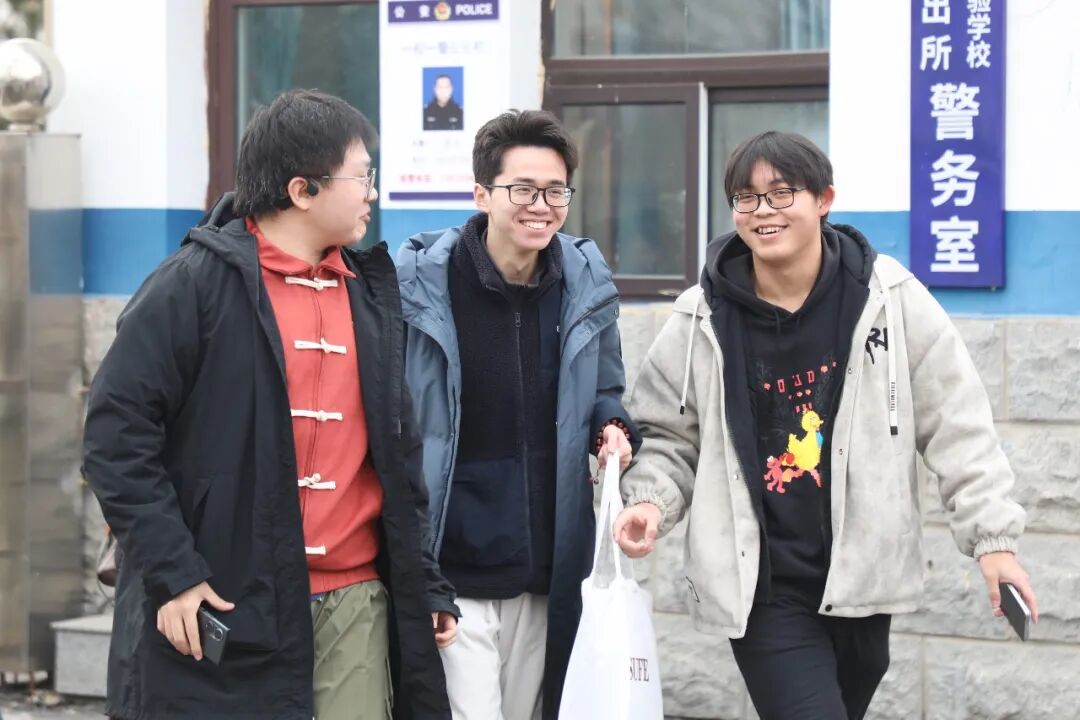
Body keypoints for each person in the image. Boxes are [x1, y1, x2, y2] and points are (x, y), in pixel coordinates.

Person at [614, 131, 1038, 720]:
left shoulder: (889, 298)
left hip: (863, 580)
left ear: (824, 199)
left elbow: (957, 425)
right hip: (762, 587)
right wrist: (650, 501)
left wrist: (994, 542)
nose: (763, 210)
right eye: (746, 197)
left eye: (782, 193)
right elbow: (667, 435)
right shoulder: (701, 318)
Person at [83, 89, 458, 720]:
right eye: (362, 176)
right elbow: (114, 440)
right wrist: (174, 574)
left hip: (355, 600)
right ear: (302, 190)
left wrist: (425, 581)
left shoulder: (370, 295)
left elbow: (400, 460)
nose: (372, 193)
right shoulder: (190, 286)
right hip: (222, 600)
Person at [396, 109, 640, 720]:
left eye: (556, 191)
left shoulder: (584, 282)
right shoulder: (421, 287)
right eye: (523, 189)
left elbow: (604, 388)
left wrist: (612, 426)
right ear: (481, 194)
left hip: (545, 566)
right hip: (453, 567)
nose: (542, 206)